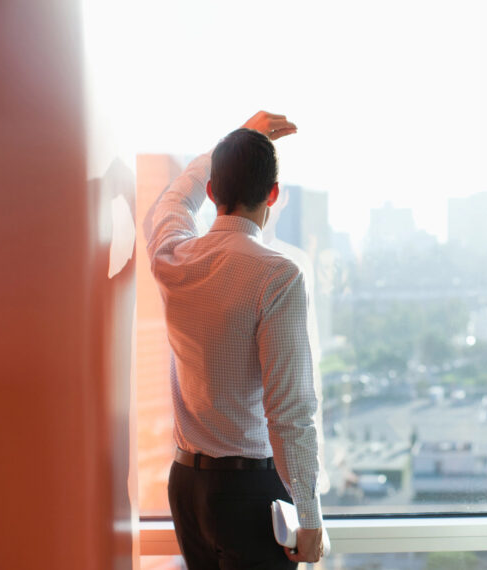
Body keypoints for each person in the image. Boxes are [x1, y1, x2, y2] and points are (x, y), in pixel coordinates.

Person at [146, 111, 324, 568]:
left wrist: (235, 141)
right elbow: (289, 414)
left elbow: (173, 202)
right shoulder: (277, 276)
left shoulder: (173, 255)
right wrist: (310, 519)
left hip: (186, 487)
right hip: (250, 496)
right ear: (273, 194)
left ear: (212, 192)